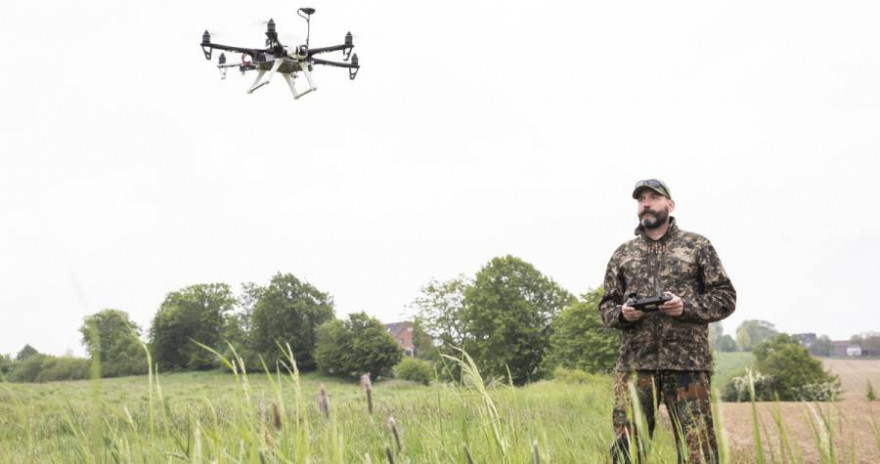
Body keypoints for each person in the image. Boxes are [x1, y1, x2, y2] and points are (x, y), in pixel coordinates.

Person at [599, 179, 736, 463]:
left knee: (698, 451)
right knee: (627, 452)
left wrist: (685, 306)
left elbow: (725, 298)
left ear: (669, 205)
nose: (646, 203)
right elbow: (606, 306)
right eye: (641, 199)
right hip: (636, 367)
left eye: (653, 197)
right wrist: (623, 313)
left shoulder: (697, 246)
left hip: (688, 366)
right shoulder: (623, 254)